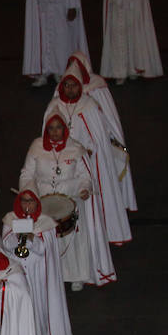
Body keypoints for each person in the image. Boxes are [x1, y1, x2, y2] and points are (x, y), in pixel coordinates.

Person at [19, 115, 113, 293]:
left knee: (74, 241)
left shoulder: (76, 149)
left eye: (58, 128)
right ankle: (50, 276)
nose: (55, 132)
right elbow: (27, 174)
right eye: (51, 128)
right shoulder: (36, 147)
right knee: (47, 242)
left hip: (71, 200)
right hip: (44, 201)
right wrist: (27, 195)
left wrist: (85, 189)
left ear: (65, 129)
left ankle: (77, 276)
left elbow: (86, 176)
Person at [44, 66, 132, 247]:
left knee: (91, 202)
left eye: (73, 86)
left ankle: (97, 238)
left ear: (79, 86)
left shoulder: (89, 106)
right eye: (66, 85)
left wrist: (88, 150)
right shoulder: (54, 106)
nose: (69, 89)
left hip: (89, 163)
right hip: (64, 164)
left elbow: (99, 136)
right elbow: (47, 135)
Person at [1, 190, 72, 335]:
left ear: (37, 203)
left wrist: (31, 239)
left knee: (38, 309)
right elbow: (5, 244)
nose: (27, 206)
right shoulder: (10, 219)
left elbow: (45, 249)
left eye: (30, 202)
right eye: (24, 201)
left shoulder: (46, 222)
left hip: (39, 274)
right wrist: (17, 237)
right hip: (19, 273)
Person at [23, 0, 88, 86]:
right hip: (44, 8)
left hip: (60, 7)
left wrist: (72, 5)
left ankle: (61, 71)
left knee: (62, 40)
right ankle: (43, 72)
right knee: (44, 40)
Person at [100, 0, 162, 85]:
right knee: (119, 45)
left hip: (133, 19)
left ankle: (133, 70)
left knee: (134, 44)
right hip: (118, 17)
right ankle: (119, 73)